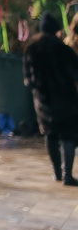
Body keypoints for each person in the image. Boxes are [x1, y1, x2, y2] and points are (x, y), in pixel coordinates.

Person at [25, 14, 78, 185]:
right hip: (66, 98)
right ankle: (67, 175)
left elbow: (28, 78)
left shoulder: (31, 48)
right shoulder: (62, 49)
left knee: (50, 134)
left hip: (43, 100)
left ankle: (57, 173)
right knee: (68, 135)